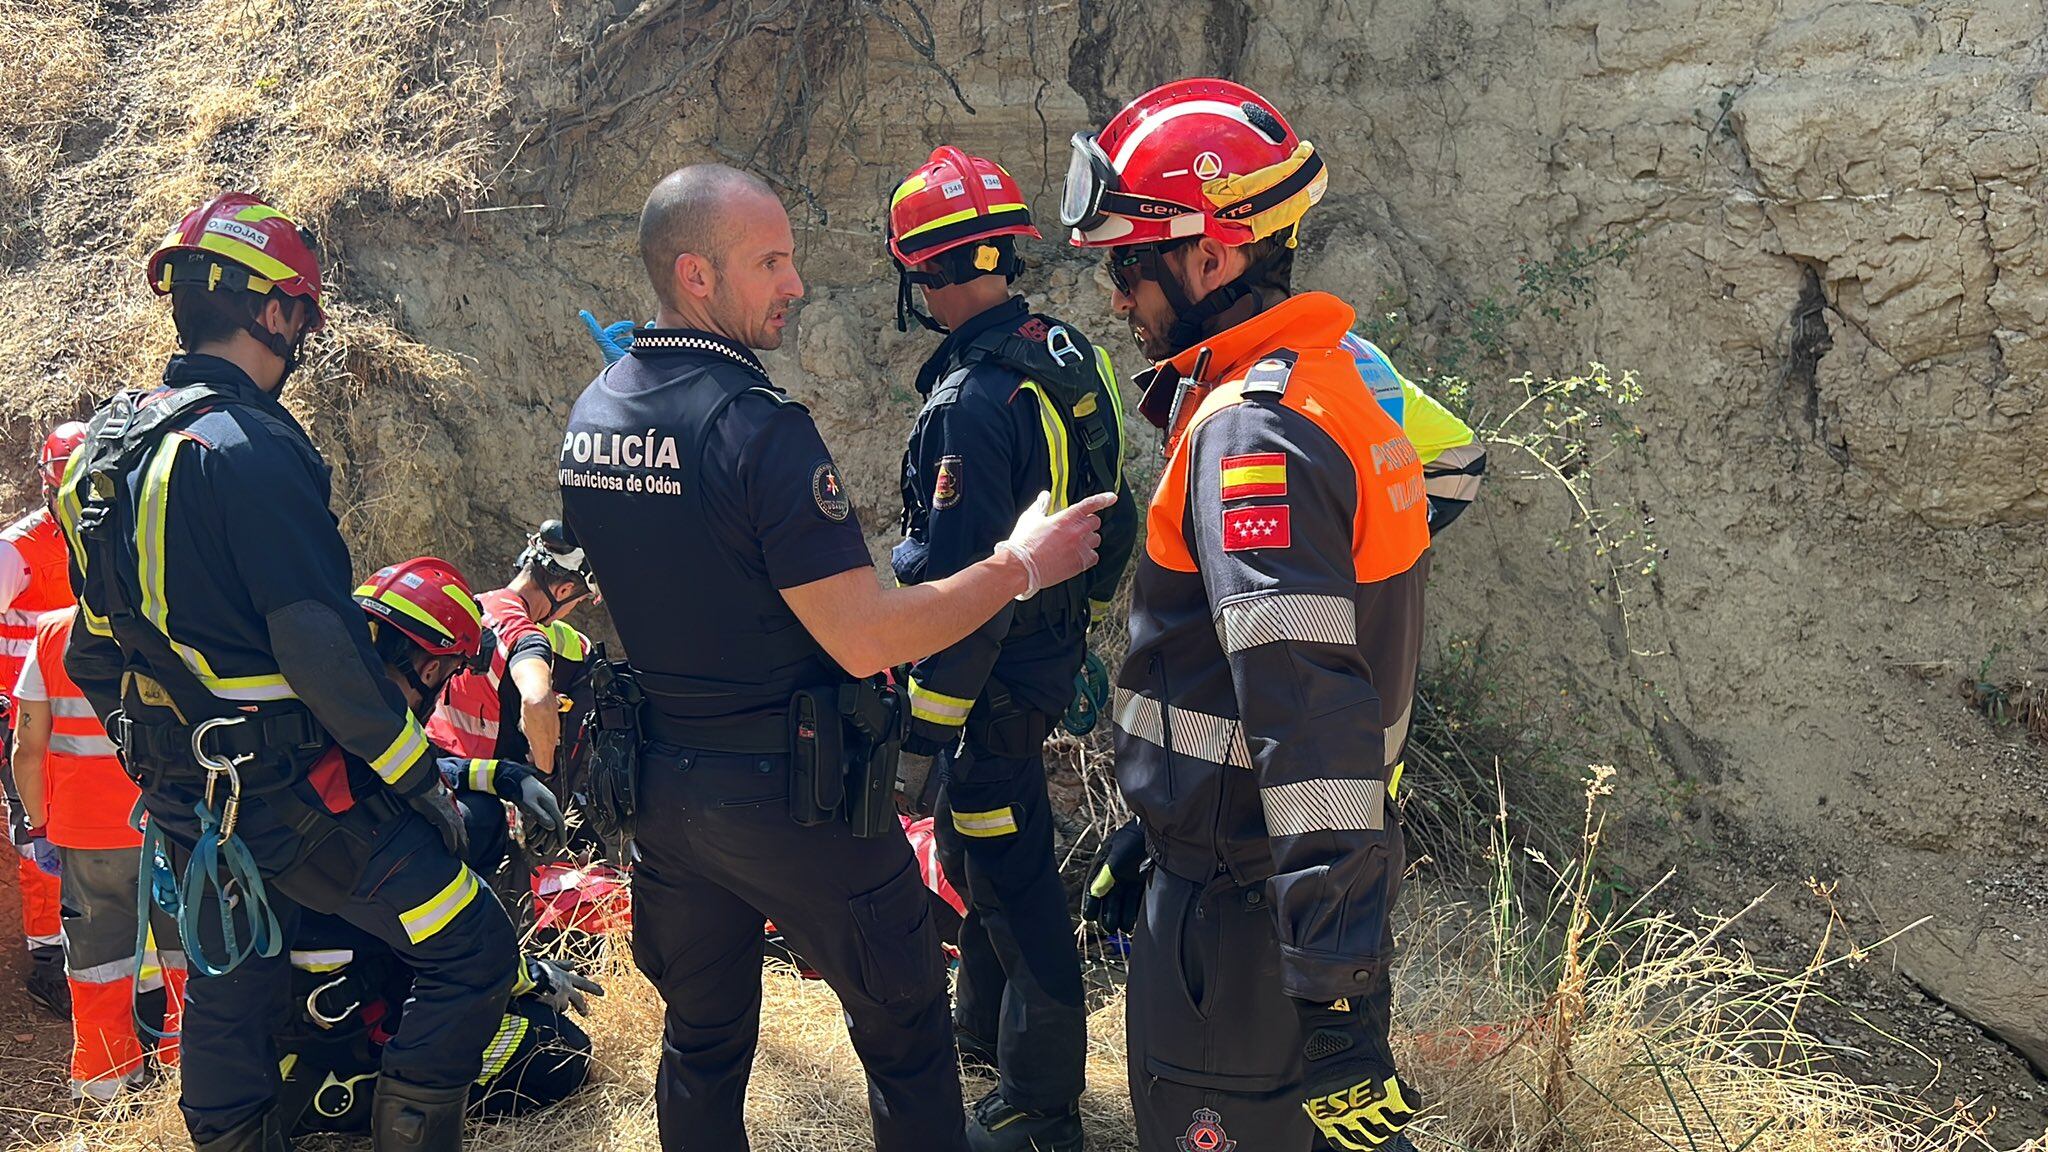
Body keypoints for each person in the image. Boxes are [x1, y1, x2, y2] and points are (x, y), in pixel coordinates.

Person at [558, 163, 1114, 1152]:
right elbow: (863, 634)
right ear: (695, 275)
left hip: (662, 798)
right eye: (771, 261)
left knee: (700, 1042)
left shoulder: (595, 411)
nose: (795, 284)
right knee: (904, 1040)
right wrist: (1019, 568)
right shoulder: (757, 429)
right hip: (791, 798)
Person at [56, 193, 517, 1152]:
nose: (305, 332)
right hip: (289, 798)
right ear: (270, 311)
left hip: (190, 797)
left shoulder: (106, 457)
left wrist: (167, 765)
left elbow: (91, 650)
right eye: (303, 312)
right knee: (472, 946)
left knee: (236, 982)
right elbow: (320, 652)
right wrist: (414, 779)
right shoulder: (252, 449)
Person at [1064, 80, 1428, 1151]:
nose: (1118, 297)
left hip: (1244, 931)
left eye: (1129, 264)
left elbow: (1305, 709)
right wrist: (1170, 817)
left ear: (1210, 256)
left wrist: (1328, 985)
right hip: (1264, 887)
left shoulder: (1252, 434)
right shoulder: (1342, 383)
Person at [884, 145, 1135, 1152]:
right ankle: (980, 1037)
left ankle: (1039, 1107)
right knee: (972, 845)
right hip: (1040, 657)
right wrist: (1071, 636)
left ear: (923, 272)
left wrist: (917, 734)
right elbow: (1110, 518)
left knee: (1013, 868)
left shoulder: (969, 408)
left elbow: (958, 593)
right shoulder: (1068, 353)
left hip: (984, 680)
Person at [267, 557, 592, 1138]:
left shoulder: (320, 712)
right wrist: (531, 973)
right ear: (431, 662)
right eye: (444, 678)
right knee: (559, 1052)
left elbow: (417, 764)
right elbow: (455, 934)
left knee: (479, 820)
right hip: (343, 1022)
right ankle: (373, 1099)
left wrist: (500, 777)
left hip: (316, 985)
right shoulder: (376, 805)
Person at [11, 603, 185, 1098]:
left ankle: (106, 1083)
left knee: (97, 963)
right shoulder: (175, 613)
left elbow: (26, 745)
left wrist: (38, 824)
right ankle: (188, 1072)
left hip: (87, 833)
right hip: (173, 820)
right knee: (188, 955)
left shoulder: (52, 632)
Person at [0, 421, 89, 1017]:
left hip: (86, 721)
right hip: (27, 719)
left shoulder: (104, 537)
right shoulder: (17, 548)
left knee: (82, 836)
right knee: (38, 840)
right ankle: (46, 960)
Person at [426, 522, 597, 776]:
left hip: (435, 763)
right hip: (484, 782)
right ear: (564, 590)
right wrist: (545, 774)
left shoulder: (475, 605)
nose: (572, 610)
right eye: (579, 601)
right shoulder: (525, 636)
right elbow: (537, 701)